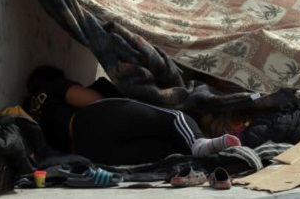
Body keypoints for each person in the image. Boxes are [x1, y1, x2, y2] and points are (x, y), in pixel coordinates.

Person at [23, 66, 241, 165]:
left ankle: (208, 153)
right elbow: (92, 100)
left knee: (167, 151)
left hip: (89, 154)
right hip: (88, 122)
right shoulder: (53, 85)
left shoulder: (27, 108)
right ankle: (200, 143)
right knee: (173, 119)